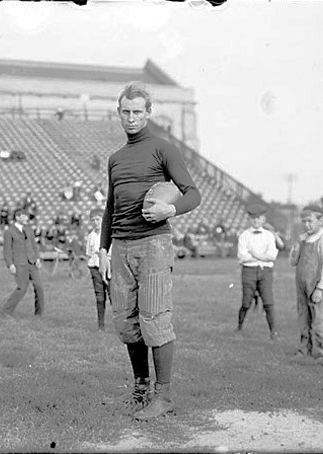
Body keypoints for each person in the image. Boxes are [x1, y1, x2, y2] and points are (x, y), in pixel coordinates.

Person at [98, 81, 201, 420]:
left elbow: (192, 193)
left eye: (137, 112)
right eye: (125, 112)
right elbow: (110, 208)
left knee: (154, 320)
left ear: (148, 113)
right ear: (118, 112)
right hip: (121, 247)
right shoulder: (115, 159)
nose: (131, 118)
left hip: (154, 243)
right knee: (126, 323)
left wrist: (169, 210)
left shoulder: (163, 149)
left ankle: (164, 396)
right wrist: (102, 248)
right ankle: (141, 389)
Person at [289, 205, 323, 359]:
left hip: (315, 286)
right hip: (301, 285)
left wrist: (320, 288)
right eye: (304, 221)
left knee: (319, 319)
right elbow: (293, 262)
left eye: (310, 221)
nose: (306, 224)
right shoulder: (303, 240)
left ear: (321, 221)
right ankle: (304, 350)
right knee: (303, 318)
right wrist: (297, 246)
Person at [236, 203, 279, 340]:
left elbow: (272, 256)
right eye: (252, 218)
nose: (255, 220)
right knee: (246, 302)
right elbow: (242, 257)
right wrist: (261, 256)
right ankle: (239, 327)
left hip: (265, 272)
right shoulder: (244, 236)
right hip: (249, 271)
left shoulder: (269, 236)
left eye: (258, 218)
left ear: (263, 220)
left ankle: (273, 332)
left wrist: (255, 254)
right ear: (249, 219)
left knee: (268, 302)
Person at [2, 207, 45, 318]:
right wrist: (10, 265)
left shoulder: (29, 230)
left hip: (32, 263)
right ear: (17, 217)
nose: (27, 218)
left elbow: (34, 246)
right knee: (22, 288)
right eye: (24, 216)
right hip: (19, 264)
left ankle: (39, 314)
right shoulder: (9, 232)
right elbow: (7, 251)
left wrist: (37, 259)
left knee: (39, 287)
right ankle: (6, 311)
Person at [86, 209, 111, 331]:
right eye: (93, 220)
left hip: (109, 268)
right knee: (100, 296)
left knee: (114, 296)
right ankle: (101, 325)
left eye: (98, 219)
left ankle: (120, 324)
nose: (95, 222)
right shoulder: (91, 236)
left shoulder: (108, 234)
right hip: (95, 268)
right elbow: (89, 254)